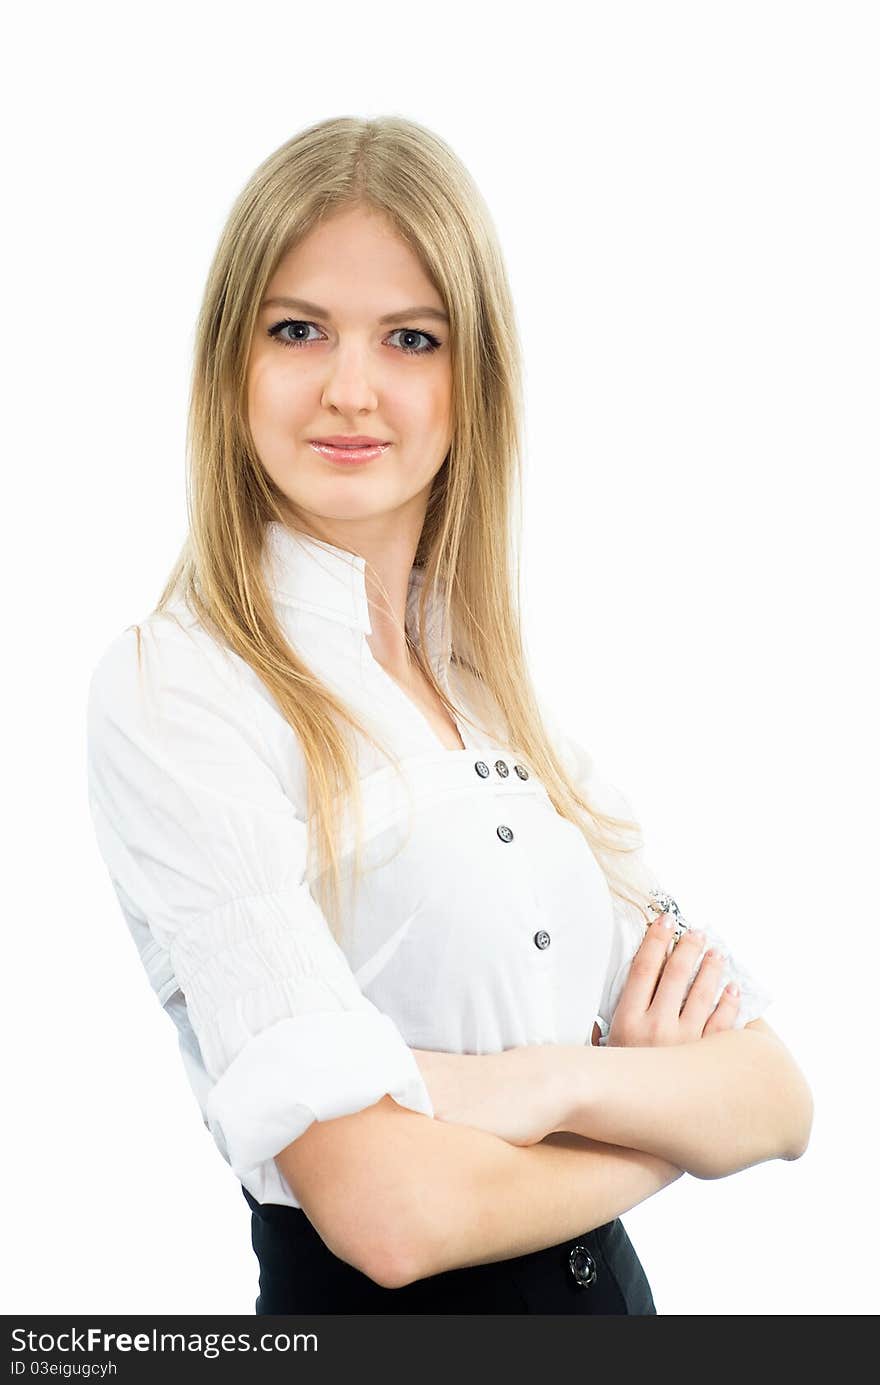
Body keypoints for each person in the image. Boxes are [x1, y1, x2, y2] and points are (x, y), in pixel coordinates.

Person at [85, 115, 812, 1315]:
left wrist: (536, 1088)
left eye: (411, 337)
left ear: (473, 380)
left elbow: (775, 1096)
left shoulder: (489, 691)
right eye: (298, 328)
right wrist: (648, 1113)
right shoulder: (176, 689)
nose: (351, 387)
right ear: (231, 362)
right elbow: (388, 1214)